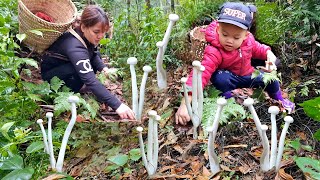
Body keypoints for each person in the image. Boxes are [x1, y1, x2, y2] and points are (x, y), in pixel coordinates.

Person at [175, 2, 295, 125]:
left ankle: (280, 100)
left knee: (271, 80)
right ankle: (230, 103)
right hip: (229, 78)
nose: (229, 41)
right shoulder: (214, 51)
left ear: (245, 35)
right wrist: (185, 104)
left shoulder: (249, 41)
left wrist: (270, 56)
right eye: (225, 34)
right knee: (220, 78)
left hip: (247, 75)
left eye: (236, 37)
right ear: (218, 29)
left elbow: (262, 49)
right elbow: (201, 74)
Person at [41, 5, 135, 120]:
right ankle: (70, 91)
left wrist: (103, 68)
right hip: (52, 78)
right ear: (84, 27)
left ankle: (80, 87)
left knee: (97, 56)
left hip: (64, 68)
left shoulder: (83, 35)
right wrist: (117, 105)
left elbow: (93, 53)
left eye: (103, 32)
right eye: (96, 32)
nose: (100, 36)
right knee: (82, 71)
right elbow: (90, 80)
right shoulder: (74, 45)